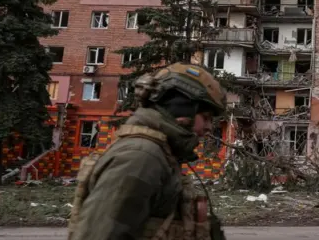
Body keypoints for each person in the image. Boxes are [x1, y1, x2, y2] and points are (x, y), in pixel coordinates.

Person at [68, 63, 227, 240]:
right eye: (205, 118)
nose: (208, 127)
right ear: (181, 109)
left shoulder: (160, 153)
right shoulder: (140, 157)